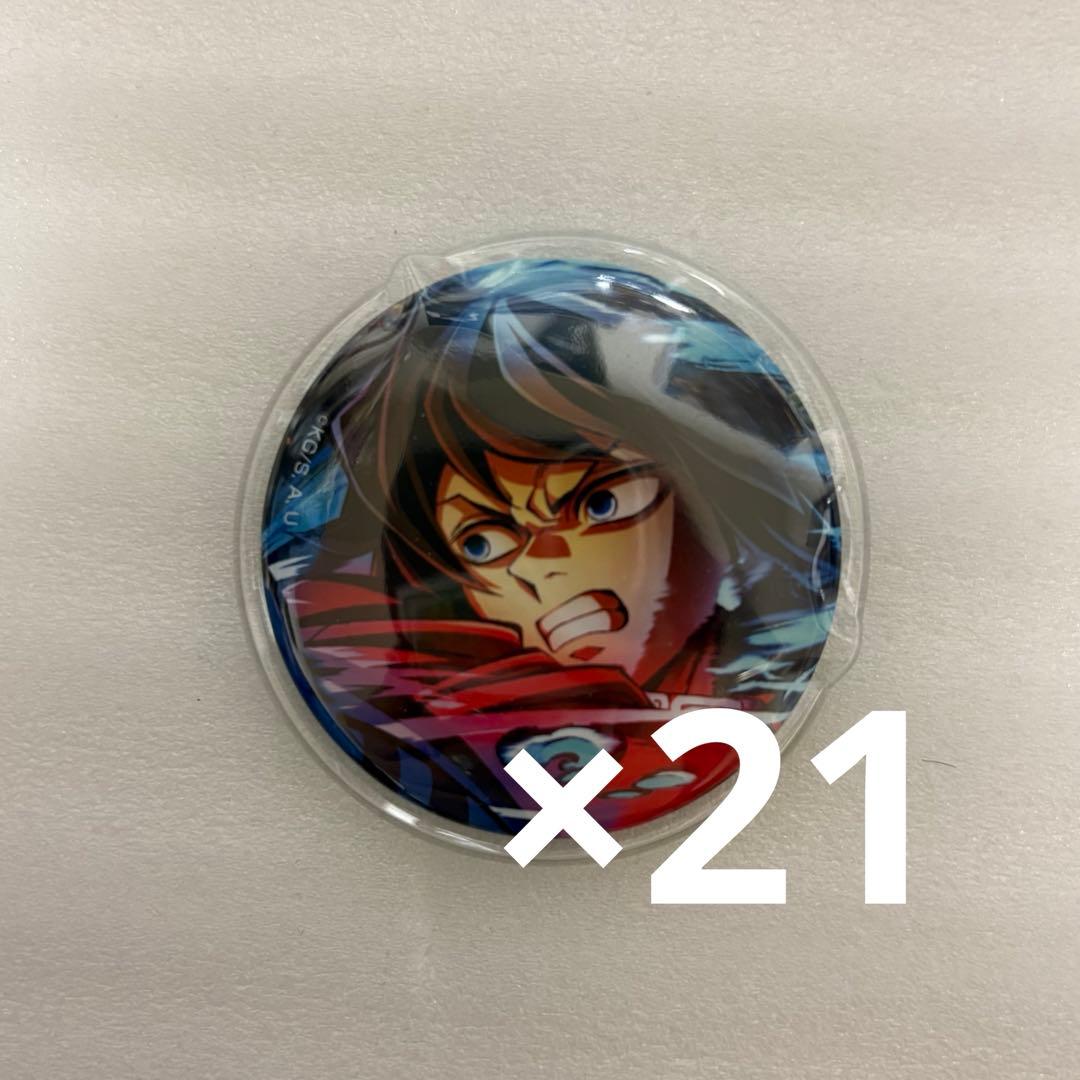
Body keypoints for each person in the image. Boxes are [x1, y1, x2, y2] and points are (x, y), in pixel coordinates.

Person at [267, 260, 839, 833]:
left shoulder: (766, 664)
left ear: (703, 499)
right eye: (483, 542)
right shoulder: (439, 736)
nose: (544, 564)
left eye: (598, 505)